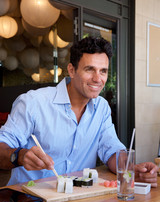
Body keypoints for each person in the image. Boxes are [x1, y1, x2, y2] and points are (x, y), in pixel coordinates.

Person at [0, 37, 158, 186]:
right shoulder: (33, 103)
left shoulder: (101, 108)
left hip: (78, 199)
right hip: (31, 198)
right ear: (71, 70)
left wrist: (130, 169)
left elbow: (111, 151)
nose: (98, 79)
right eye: (90, 69)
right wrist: (19, 156)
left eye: (103, 71)